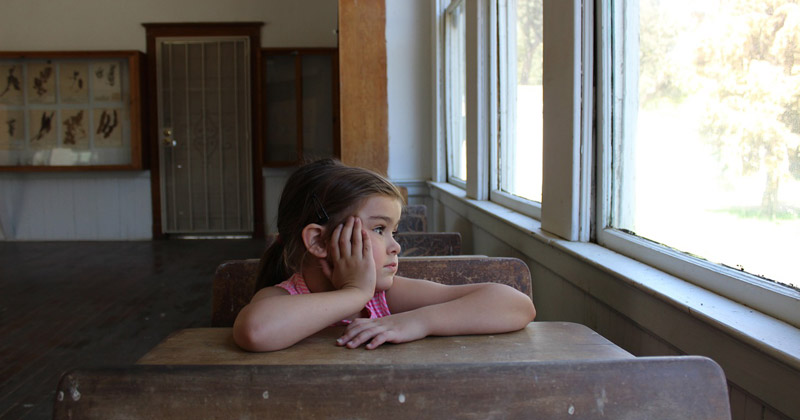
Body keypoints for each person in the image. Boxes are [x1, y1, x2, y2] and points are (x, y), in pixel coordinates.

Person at [233, 158, 536, 352]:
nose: (396, 246)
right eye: (379, 229)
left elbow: (516, 305)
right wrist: (354, 293)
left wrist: (417, 322)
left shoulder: (384, 298)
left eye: (394, 232)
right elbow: (256, 331)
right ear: (319, 241)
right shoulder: (284, 297)